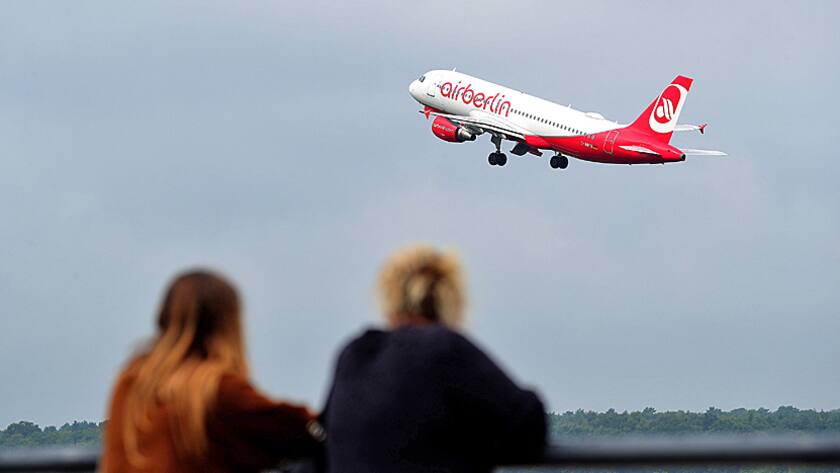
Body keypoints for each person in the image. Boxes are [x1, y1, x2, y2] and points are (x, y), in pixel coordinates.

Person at [321, 245, 546, 473]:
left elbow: (324, 435)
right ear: (452, 298)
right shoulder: (445, 348)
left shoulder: (354, 354)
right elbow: (528, 424)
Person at [101, 270, 322, 473]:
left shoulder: (130, 381)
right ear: (229, 325)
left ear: (163, 316)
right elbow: (296, 428)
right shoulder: (216, 389)